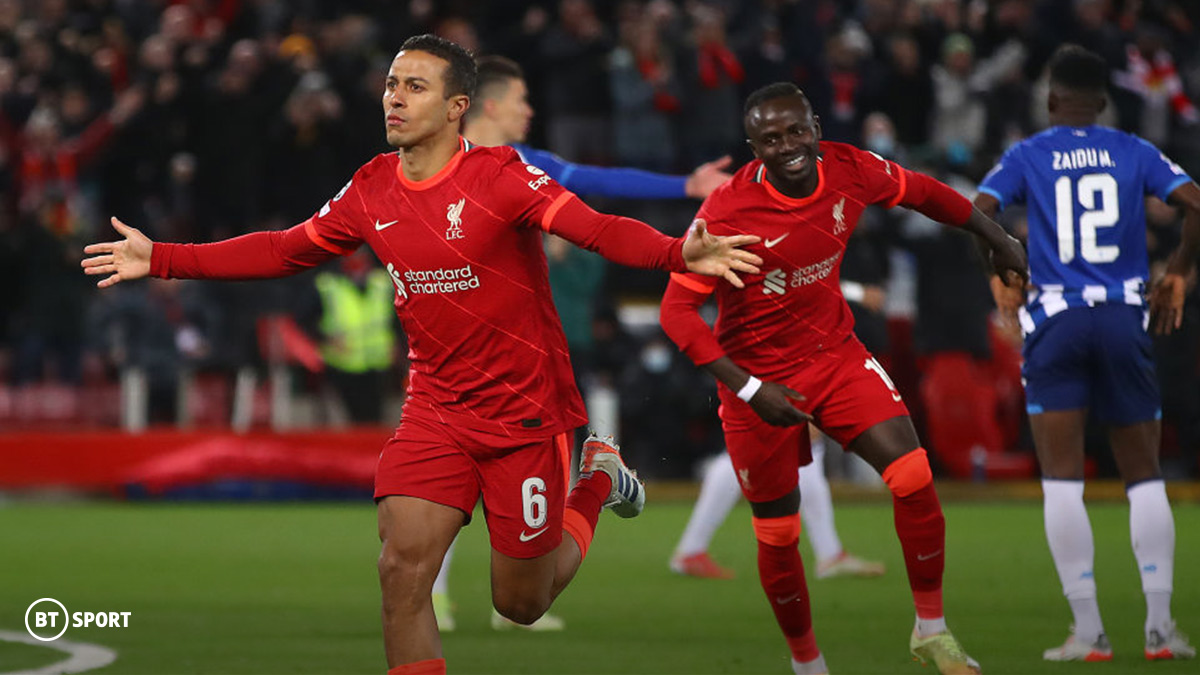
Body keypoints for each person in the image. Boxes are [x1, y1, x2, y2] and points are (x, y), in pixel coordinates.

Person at [81, 34, 762, 675]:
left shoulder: (504, 176)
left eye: (414, 86)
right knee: (401, 570)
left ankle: (599, 476)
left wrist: (677, 252)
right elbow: (284, 248)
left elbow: (596, 228)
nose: (394, 98)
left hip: (526, 413)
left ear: (457, 107)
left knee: (521, 603)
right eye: (390, 85)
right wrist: (162, 257)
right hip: (436, 409)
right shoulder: (371, 187)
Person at [659, 81, 1027, 675]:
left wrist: (998, 236)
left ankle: (930, 630)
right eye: (770, 139)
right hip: (756, 380)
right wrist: (750, 389)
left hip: (835, 355)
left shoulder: (850, 168)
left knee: (913, 477)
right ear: (754, 148)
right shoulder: (726, 213)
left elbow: (925, 192)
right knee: (778, 537)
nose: (788, 147)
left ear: (815, 126)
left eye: (797, 131)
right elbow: (675, 313)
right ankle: (809, 665)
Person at [429, 52, 732, 633]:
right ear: (490, 104)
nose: (530, 109)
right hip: (452, 349)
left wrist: (684, 185)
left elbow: (597, 184)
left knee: (516, 480)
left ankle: (524, 582)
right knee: (442, 484)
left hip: (525, 357)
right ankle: (440, 597)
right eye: (521, 99)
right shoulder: (431, 163)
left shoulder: (526, 165)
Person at [975, 44, 1199, 663]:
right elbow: (1196, 202)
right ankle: (1159, 628)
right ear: (1102, 102)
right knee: (1145, 477)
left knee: (1063, 482)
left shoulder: (1029, 153)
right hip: (1125, 317)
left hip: (1058, 321)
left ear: (1050, 101)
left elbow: (978, 211)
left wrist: (1004, 278)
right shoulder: (1132, 149)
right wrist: (1178, 270)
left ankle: (1090, 632)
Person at [670, 426, 886, 580]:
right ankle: (691, 550)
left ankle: (830, 554)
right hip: (768, 371)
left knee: (804, 439)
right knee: (762, 441)